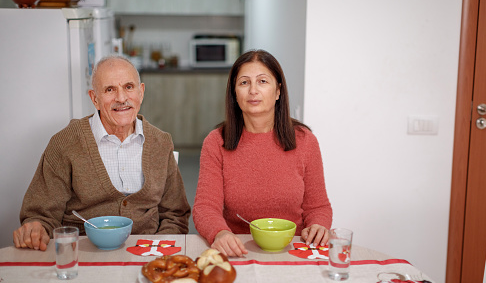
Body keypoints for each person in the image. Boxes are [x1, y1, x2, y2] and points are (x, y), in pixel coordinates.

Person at [13, 55, 190, 251]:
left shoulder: (160, 142)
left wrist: (154, 251)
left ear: (141, 92)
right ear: (94, 99)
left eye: (129, 87)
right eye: (109, 90)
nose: (121, 98)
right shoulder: (64, 143)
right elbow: (41, 214)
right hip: (84, 254)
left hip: (146, 255)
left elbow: (175, 215)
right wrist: (36, 228)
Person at [192, 49, 333, 257]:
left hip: (294, 249)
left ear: (278, 91)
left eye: (263, 81)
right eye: (244, 82)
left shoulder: (305, 140)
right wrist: (220, 233)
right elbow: (205, 207)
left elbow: (318, 206)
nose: (253, 90)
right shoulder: (216, 141)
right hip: (238, 250)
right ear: (234, 93)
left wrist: (319, 226)